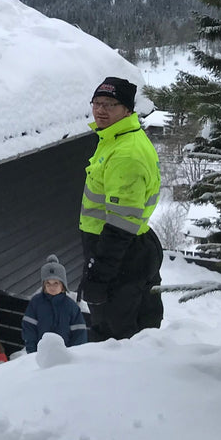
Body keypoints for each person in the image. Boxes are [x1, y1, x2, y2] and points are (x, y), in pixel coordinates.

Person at [78, 76, 164, 341]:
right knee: (139, 332)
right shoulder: (116, 138)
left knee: (117, 340)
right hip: (127, 252)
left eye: (110, 104)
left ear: (127, 110)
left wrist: (100, 276)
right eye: (97, 102)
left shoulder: (126, 154)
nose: (101, 110)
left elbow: (120, 225)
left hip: (121, 258)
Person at [21, 255, 88, 353]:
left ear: (63, 285)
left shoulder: (71, 306)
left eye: (56, 283)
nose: (52, 287)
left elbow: (79, 334)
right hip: (40, 354)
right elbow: (29, 328)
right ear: (44, 285)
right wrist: (32, 351)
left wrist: (73, 354)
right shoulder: (36, 303)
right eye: (48, 283)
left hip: (65, 355)